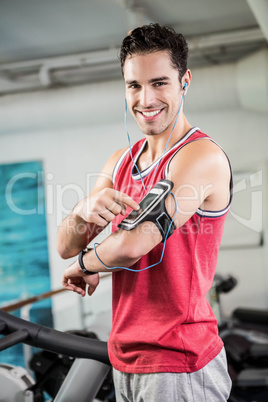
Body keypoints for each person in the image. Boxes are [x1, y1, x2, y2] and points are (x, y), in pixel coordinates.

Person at [57, 23, 232, 401]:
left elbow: (134, 243)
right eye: (134, 86)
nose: (146, 98)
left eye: (159, 83)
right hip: (126, 357)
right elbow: (65, 245)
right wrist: (83, 210)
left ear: (184, 81)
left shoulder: (200, 156)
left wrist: (84, 266)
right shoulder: (120, 162)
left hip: (179, 362)